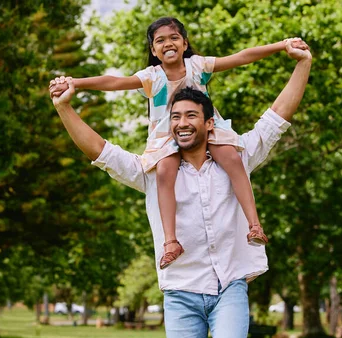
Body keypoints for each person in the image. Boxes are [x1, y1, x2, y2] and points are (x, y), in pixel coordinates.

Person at [50, 36, 312, 338]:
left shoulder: (237, 158)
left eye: (191, 115)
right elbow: (100, 151)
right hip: (181, 291)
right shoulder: (154, 172)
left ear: (208, 123)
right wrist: (64, 108)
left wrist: (302, 63)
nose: (183, 123)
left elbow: (277, 117)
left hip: (229, 285)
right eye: (175, 117)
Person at [50, 17, 293, 269]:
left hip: (206, 127)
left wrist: (281, 45)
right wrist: (75, 83)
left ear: (185, 43)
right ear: (153, 50)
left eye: (174, 37)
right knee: (164, 172)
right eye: (160, 40)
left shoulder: (198, 66)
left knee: (232, 159)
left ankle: (254, 225)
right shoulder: (152, 77)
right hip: (166, 135)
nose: (168, 43)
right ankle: (170, 242)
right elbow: (113, 82)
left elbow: (241, 57)